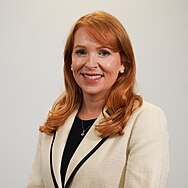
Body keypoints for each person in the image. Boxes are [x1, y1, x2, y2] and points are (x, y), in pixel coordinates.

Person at [27, 11, 169, 188]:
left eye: (103, 52)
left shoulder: (145, 119)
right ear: (70, 61)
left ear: (123, 63)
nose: (90, 63)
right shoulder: (55, 116)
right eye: (81, 52)